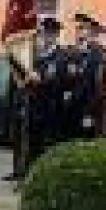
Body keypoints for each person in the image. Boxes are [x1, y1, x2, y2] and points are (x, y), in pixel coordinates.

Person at [9, 17, 64, 181]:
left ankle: (40, 178)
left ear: (56, 35)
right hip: (34, 107)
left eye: (51, 34)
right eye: (45, 33)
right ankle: (26, 175)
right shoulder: (38, 57)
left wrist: (40, 78)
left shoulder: (60, 56)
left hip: (49, 108)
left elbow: (56, 80)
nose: (47, 37)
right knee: (31, 145)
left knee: (44, 146)